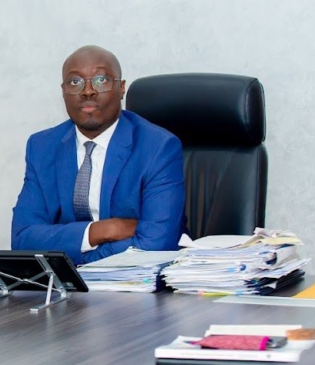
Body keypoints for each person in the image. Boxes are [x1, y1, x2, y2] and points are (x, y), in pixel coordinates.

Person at [11, 45, 185, 264]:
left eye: (101, 80)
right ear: (63, 91)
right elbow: (22, 239)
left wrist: (72, 259)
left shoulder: (158, 147)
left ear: (121, 88)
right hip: (67, 283)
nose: (88, 91)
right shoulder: (42, 147)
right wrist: (100, 231)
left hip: (135, 282)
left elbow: (155, 245)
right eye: (75, 82)